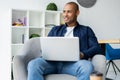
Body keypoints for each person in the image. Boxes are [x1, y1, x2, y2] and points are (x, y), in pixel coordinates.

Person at [27, 2, 103, 80]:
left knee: (87, 66)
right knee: (33, 64)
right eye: (64, 11)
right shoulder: (55, 29)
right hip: (52, 64)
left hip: (73, 65)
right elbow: (46, 47)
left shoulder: (86, 30)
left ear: (77, 12)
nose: (65, 14)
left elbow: (96, 48)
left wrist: (83, 54)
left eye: (69, 11)